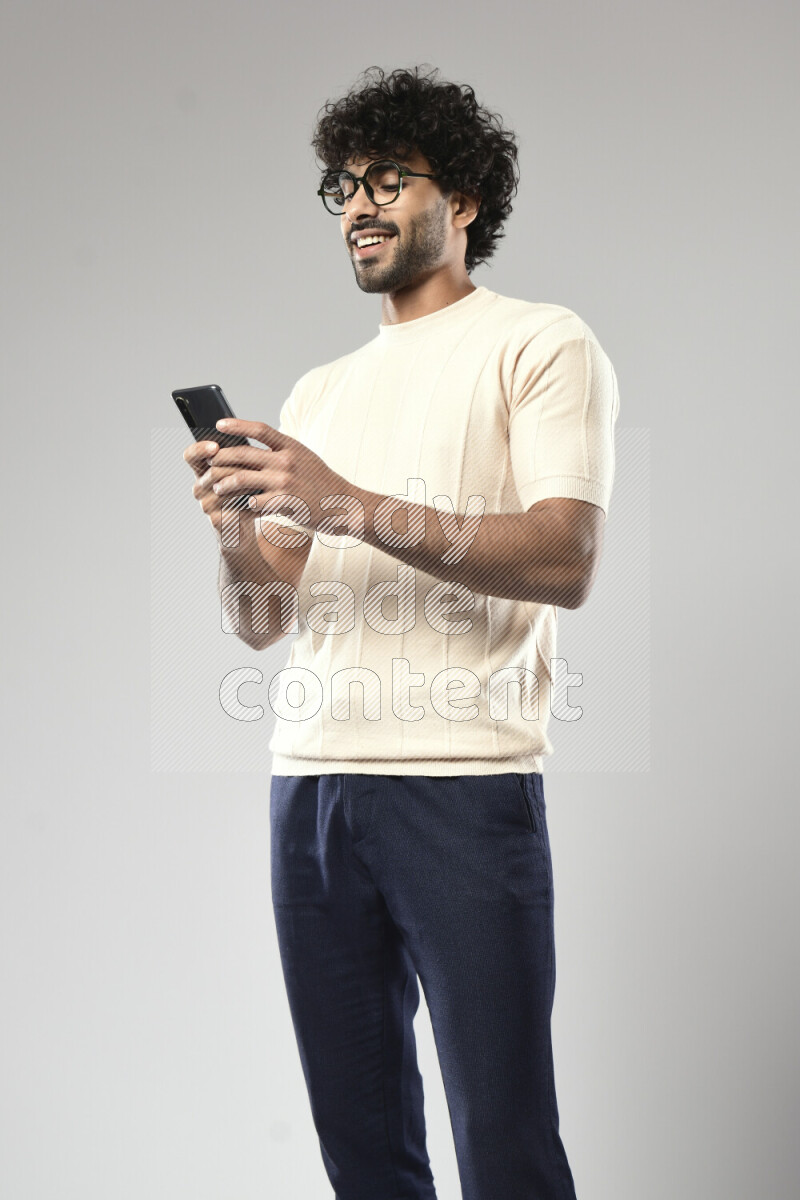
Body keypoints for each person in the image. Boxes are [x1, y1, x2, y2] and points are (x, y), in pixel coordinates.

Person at [184, 65, 619, 1200]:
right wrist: (236, 532)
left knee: (504, 1144)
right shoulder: (320, 391)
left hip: (460, 791)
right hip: (311, 790)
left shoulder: (539, 342)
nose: (357, 206)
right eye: (341, 186)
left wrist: (343, 504)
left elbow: (563, 557)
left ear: (463, 198)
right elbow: (261, 621)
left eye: (388, 180)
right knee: (362, 1154)